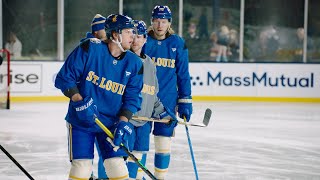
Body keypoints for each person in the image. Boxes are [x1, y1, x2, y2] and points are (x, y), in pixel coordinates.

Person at [54, 14, 143, 180]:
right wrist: (79, 102)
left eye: (134, 32)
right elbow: (64, 78)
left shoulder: (135, 63)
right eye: (128, 32)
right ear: (115, 34)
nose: (133, 36)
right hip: (81, 120)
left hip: (111, 123)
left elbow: (133, 98)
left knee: (116, 166)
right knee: (82, 167)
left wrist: (124, 122)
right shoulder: (90, 48)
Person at [143, 5, 193, 179]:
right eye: (156, 21)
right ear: (152, 21)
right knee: (139, 143)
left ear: (169, 22)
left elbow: (183, 75)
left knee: (163, 141)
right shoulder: (143, 40)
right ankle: (134, 176)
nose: (159, 25)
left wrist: (185, 101)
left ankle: (160, 177)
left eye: (163, 21)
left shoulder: (178, 43)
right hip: (143, 100)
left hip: (168, 101)